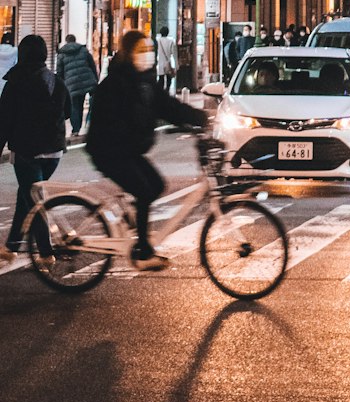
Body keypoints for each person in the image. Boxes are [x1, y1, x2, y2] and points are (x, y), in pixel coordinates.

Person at [86, 30, 205, 271]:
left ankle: (135, 227)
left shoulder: (145, 81)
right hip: (110, 151)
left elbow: (168, 106)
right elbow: (109, 122)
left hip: (129, 151)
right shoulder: (116, 83)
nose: (147, 55)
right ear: (128, 53)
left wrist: (198, 118)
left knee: (157, 186)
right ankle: (143, 252)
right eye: (141, 51)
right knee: (143, 190)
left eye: (149, 50)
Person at [0, 34, 70, 263]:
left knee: (35, 200)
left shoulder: (15, 82)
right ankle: (11, 247)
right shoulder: (55, 80)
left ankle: (46, 251)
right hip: (54, 153)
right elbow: (68, 110)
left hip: (27, 152)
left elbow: (4, 122)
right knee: (27, 196)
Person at [55, 32, 99, 135]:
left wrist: (61, 86)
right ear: (75, 40)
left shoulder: (61, 54)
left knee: (75, 106)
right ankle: (89, 125)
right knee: (87, 103)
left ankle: (76, 129)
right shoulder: (83, 50)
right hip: (87, 81)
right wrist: (95, 80)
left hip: (72, 84)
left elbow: (59, 72)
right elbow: (92, 65)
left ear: (66, 41)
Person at [154, 26, 178, 93]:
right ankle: (167, 91)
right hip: (168, 63)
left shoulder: (157, 40)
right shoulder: (171, 41)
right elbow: (174, 54)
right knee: (169, 79)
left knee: (161, 79)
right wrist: (176, 65)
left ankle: (160, 93)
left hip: (160, 63)